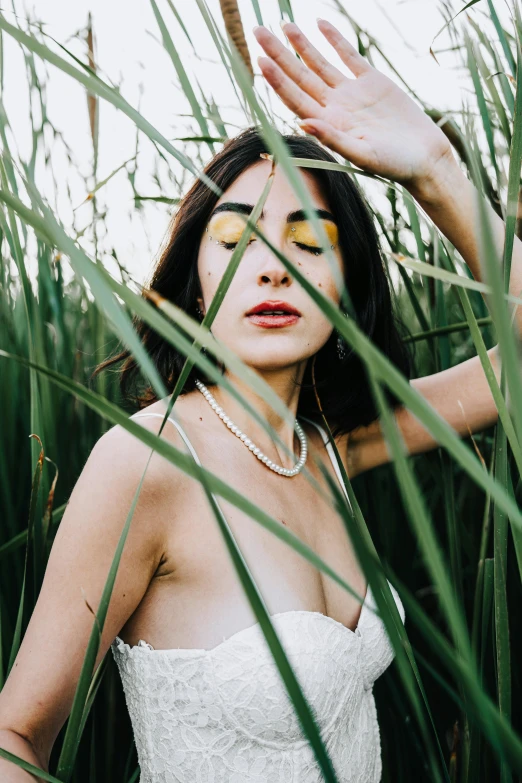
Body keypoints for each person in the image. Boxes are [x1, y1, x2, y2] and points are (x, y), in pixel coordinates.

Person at [0, 17, 514, 783]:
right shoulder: (151, 460)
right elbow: (16, 731)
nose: (274, 268)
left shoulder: (333, 448)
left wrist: (437, 168)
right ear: (194, 277)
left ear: (348, 284)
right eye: (236, 240)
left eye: (310, 243)